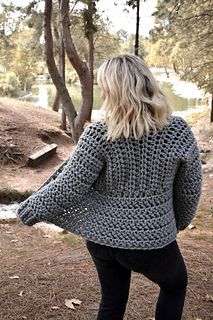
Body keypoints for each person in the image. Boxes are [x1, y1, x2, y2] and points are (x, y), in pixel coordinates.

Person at [17, 54, 202, 320]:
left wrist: (28, 210)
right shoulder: (176, 131)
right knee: (175, 286)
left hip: (102, 240)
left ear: (112, 91)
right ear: (148, 84)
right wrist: (179, 223)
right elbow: (189, 190)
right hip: (152, 240)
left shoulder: (99, 134)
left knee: (112, 300)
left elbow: (69, 185)